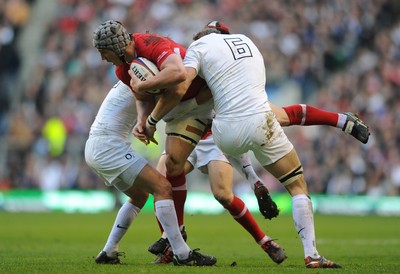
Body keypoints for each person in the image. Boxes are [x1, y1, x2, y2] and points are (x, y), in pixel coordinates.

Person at [136, 25, 343, 268]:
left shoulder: (203, 56)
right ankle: (172, 242)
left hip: (214, 135)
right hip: (193, 132)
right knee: (165, 176)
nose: (199, 38)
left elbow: (184, 89)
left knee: (222, 194)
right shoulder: (233, 55)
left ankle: (264, 241)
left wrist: (155, 109)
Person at [86, 21, 218, 266]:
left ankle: (109, 251)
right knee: (163, 188)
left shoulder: (150, 54)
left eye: (103, 52)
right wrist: (144, 119)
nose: (102, 58)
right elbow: (147, 93)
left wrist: (145, 118)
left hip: (99, 146)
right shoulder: (127, 70)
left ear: (116, 47)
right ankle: (183, 254)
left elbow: (160, 83)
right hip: (107, 146)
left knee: (140, 196)